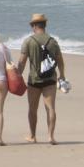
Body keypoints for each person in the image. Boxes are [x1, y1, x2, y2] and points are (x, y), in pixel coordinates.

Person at [17, 13, 67, 145]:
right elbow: (60, 61)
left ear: (34, 26)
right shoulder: (53, 41)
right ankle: (51, 136)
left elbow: (22, 62)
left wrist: (18, 75)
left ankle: (33, 136)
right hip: (50, 79)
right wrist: (62, 75)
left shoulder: (28, 41)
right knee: (50, 108)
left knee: (32, 109)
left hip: (34, 80)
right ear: (44, 25)